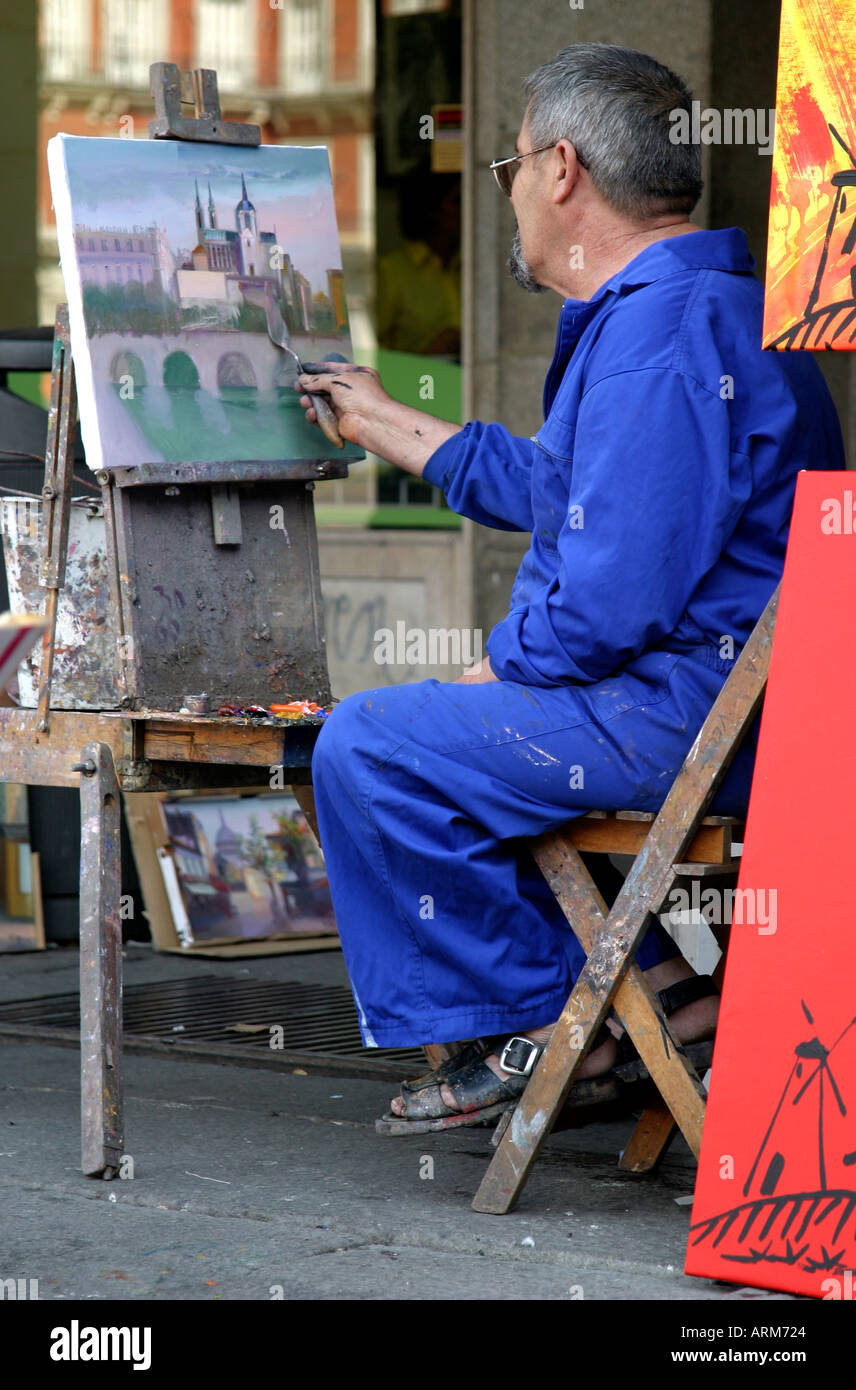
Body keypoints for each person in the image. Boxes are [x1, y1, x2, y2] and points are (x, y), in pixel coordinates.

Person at [295, 43, 845, 1133]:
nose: (503, 191)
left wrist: (498, 665)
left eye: (505, 165)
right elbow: (560, 489)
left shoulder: (658, 335)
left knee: (364, 747)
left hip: (689, 713)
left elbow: (606, 602)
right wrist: (384, 420)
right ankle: (662, 999)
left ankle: (557, 1023)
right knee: (425, 733)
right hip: (721, 702)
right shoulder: (705, 305)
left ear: (559, 169)